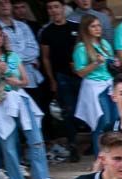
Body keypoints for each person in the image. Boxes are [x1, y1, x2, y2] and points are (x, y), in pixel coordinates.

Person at [0, 19, 53, 179]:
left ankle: (41, 175)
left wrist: (17, 81)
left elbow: (25, 80)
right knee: (8, 142)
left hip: (19, 97)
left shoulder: (13, 56)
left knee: (35, 137)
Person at [39, 0, 81, 162]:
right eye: (50, 8)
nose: (54, 10)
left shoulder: (75, 27)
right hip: (61, 77)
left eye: (56, 7)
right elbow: (45, 58)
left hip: (81, 75)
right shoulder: (46, 32)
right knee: (68, 112)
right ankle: (73, 145)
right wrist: (51, 79)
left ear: (63, 8)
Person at [71, 13, 114, 152]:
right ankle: (100, 159)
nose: (97, 29)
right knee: (102, 123)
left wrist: (115, 63)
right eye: (93, 26)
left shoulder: (105, 44)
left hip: (109, 84)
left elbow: (110, 63)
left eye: (99, 25)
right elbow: (80, 72)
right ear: (86, 29)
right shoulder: (81, 48)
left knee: (113, 122)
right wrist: (95, 63)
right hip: (94, 87)